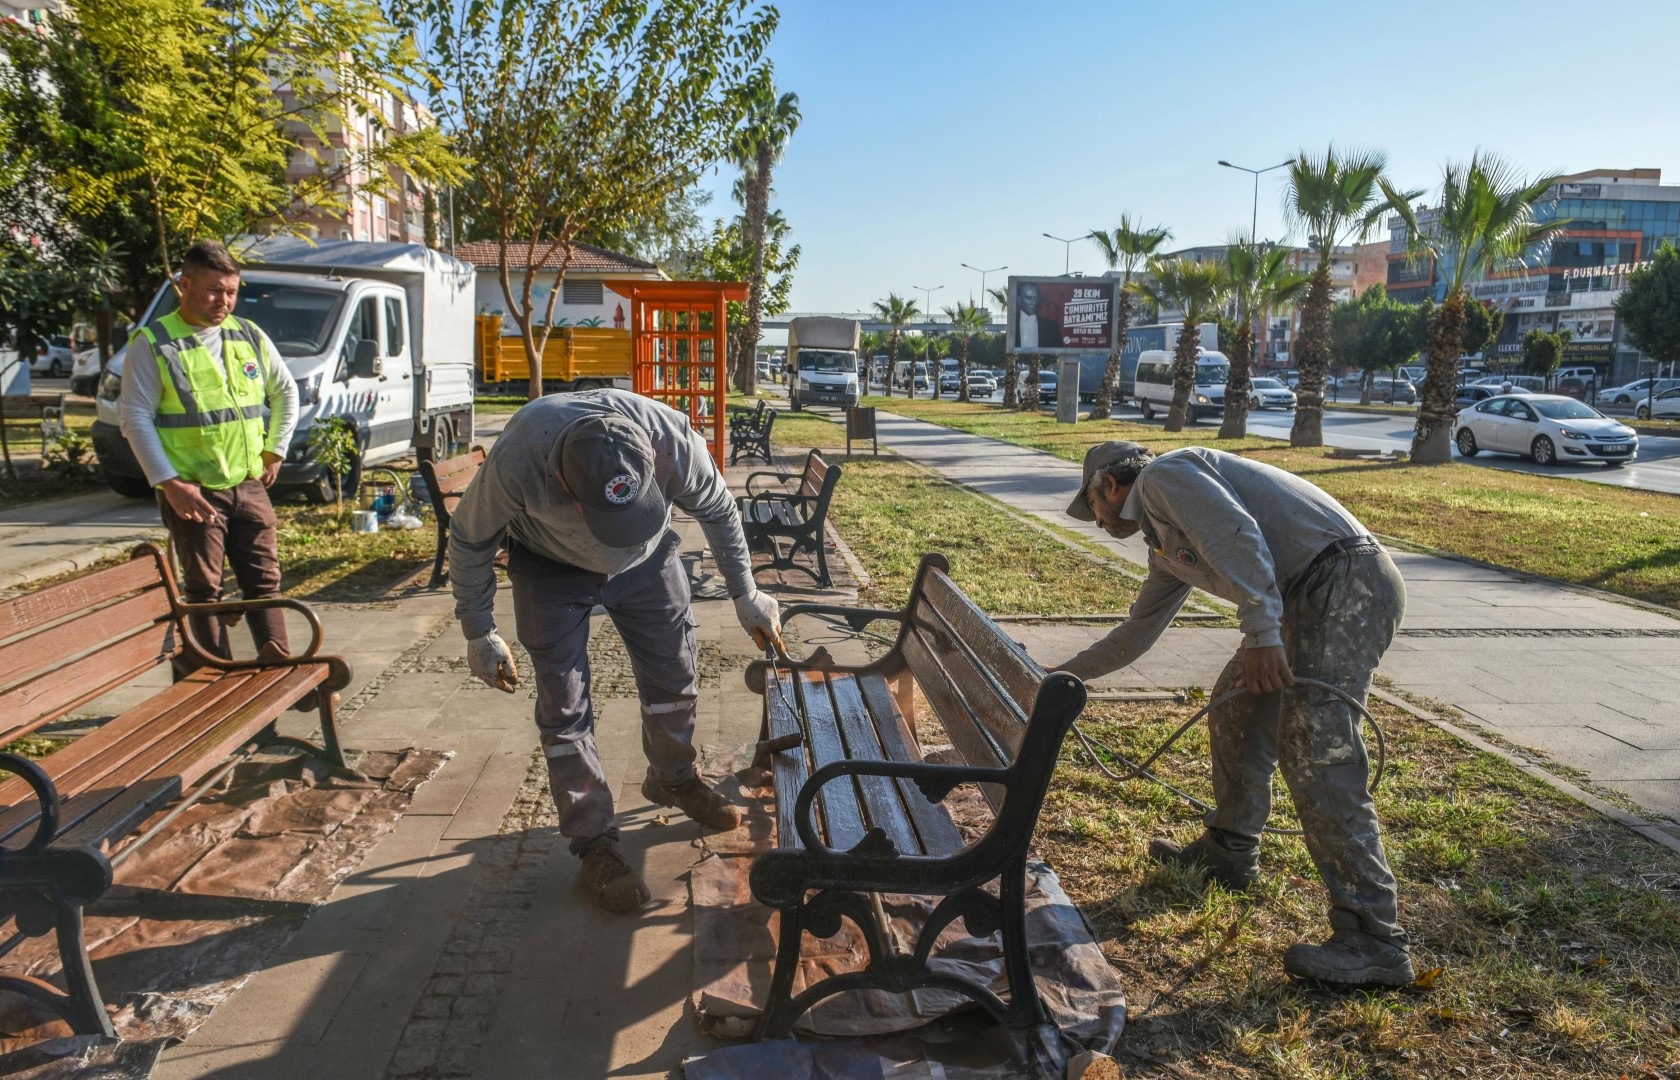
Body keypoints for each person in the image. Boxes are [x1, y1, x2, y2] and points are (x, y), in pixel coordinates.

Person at [1058, 440, 1413, 988]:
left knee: (1316, 749)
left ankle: (1373, 938)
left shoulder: (1164, 477)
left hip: (1344, 581)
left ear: (1108, 485)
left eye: (1092, 507)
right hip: (1305, 592)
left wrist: (1263, 635)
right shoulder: (1165, 537)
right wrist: (1061, 679)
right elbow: (1136, 633)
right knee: (1236, 709)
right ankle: (1230, 849)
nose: (1096, 522)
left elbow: (1240, 539)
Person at [448, 389, 783, 913]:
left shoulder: (670, 438)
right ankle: (595, 842)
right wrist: (479, 631)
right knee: (565, 708)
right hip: (549, 567)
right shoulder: (519, 459)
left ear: (649, 458)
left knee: (675, 675)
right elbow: (470, 539)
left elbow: (719, 508)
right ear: (568, 487)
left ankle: (673, 778)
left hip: (649, 565)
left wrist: (746, 592)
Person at [120, 240, 298, 661]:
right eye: (215, 290)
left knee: (265, 582)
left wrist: (276, 449)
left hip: (249, 483)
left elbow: (285, 391)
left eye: (232, 291)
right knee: (204, 589)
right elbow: (135, 418)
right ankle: (211, 678)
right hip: (193, 491)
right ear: (185, 285)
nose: (225, 301)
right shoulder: (155, 342)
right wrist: (169, 484)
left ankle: (280, 667)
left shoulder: (248, 334)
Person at [1014, 282, 1063, 351]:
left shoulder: (1051, 326)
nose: (1034, 302)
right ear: (1019, 300)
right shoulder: (1012, 324)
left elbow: (1059, 352)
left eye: (1036, 298)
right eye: (1029, 298)